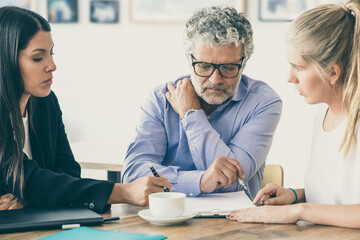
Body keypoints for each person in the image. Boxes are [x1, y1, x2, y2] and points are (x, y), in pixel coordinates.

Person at [0, 6, 172, 213]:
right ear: (6, 60)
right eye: (38, 57)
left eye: (51, 53)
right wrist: (124, 192)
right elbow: (28, 178)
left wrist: (33, 198)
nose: (52, 65)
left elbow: (68, 172)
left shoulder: (45, 103)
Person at [122, 6, 282, 200]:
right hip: (167, 218)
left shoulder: (263, 103)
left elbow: (231, 183)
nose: (215, 80)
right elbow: (133, 175)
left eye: (228, 68)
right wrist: (200, 181)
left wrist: (191, 114)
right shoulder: (160, 99)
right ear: (190, 61)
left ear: (244, 62)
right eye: (204, 66)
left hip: (236, 223)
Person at [228, 0, 360, 229]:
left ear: (332, 72)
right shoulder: (323, 115)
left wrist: (299, 210)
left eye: (298, 67)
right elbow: (341, 197)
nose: (290, 77)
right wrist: (294, 195)